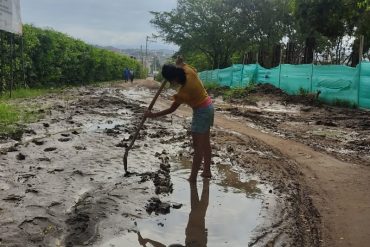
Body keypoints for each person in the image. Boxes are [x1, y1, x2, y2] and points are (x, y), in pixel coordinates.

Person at [145, 63, 214, 182]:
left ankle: (192, 178)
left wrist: (153, 115)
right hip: (208, 106)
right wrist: (179, 63)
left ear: (174, 79)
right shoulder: (189, 71)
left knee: (198, 147)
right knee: (205, 143)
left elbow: (171, 109)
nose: (172, 84)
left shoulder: (184, 91)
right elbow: (182, 63)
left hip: (201, 112)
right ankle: (206, 171)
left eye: (171, 81)